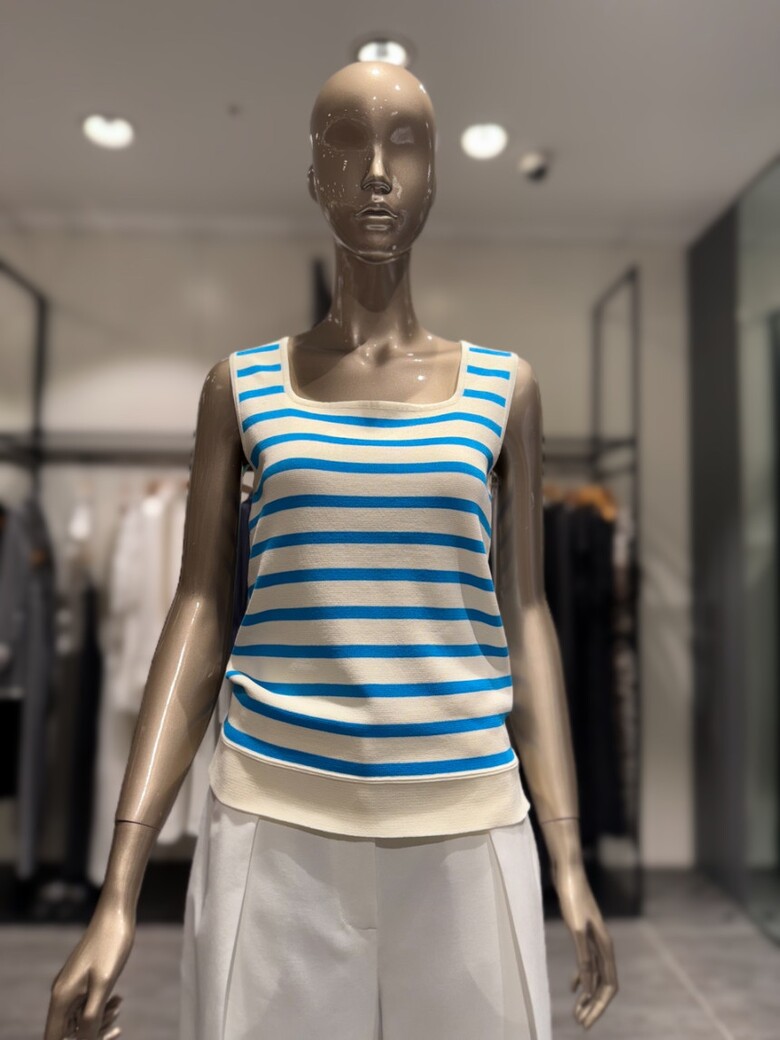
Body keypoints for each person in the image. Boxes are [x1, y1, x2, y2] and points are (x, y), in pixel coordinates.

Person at [45, 60, 617, 1040]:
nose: (378, 173)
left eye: (406, 145)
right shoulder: (241, 386)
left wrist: (567, 856)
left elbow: (526, 616)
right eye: (348, 144)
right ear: (314, 176)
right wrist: (118, 888)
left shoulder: (504, 388)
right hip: (273, 830)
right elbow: (199, 610)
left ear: (435, 176)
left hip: (468, 822)